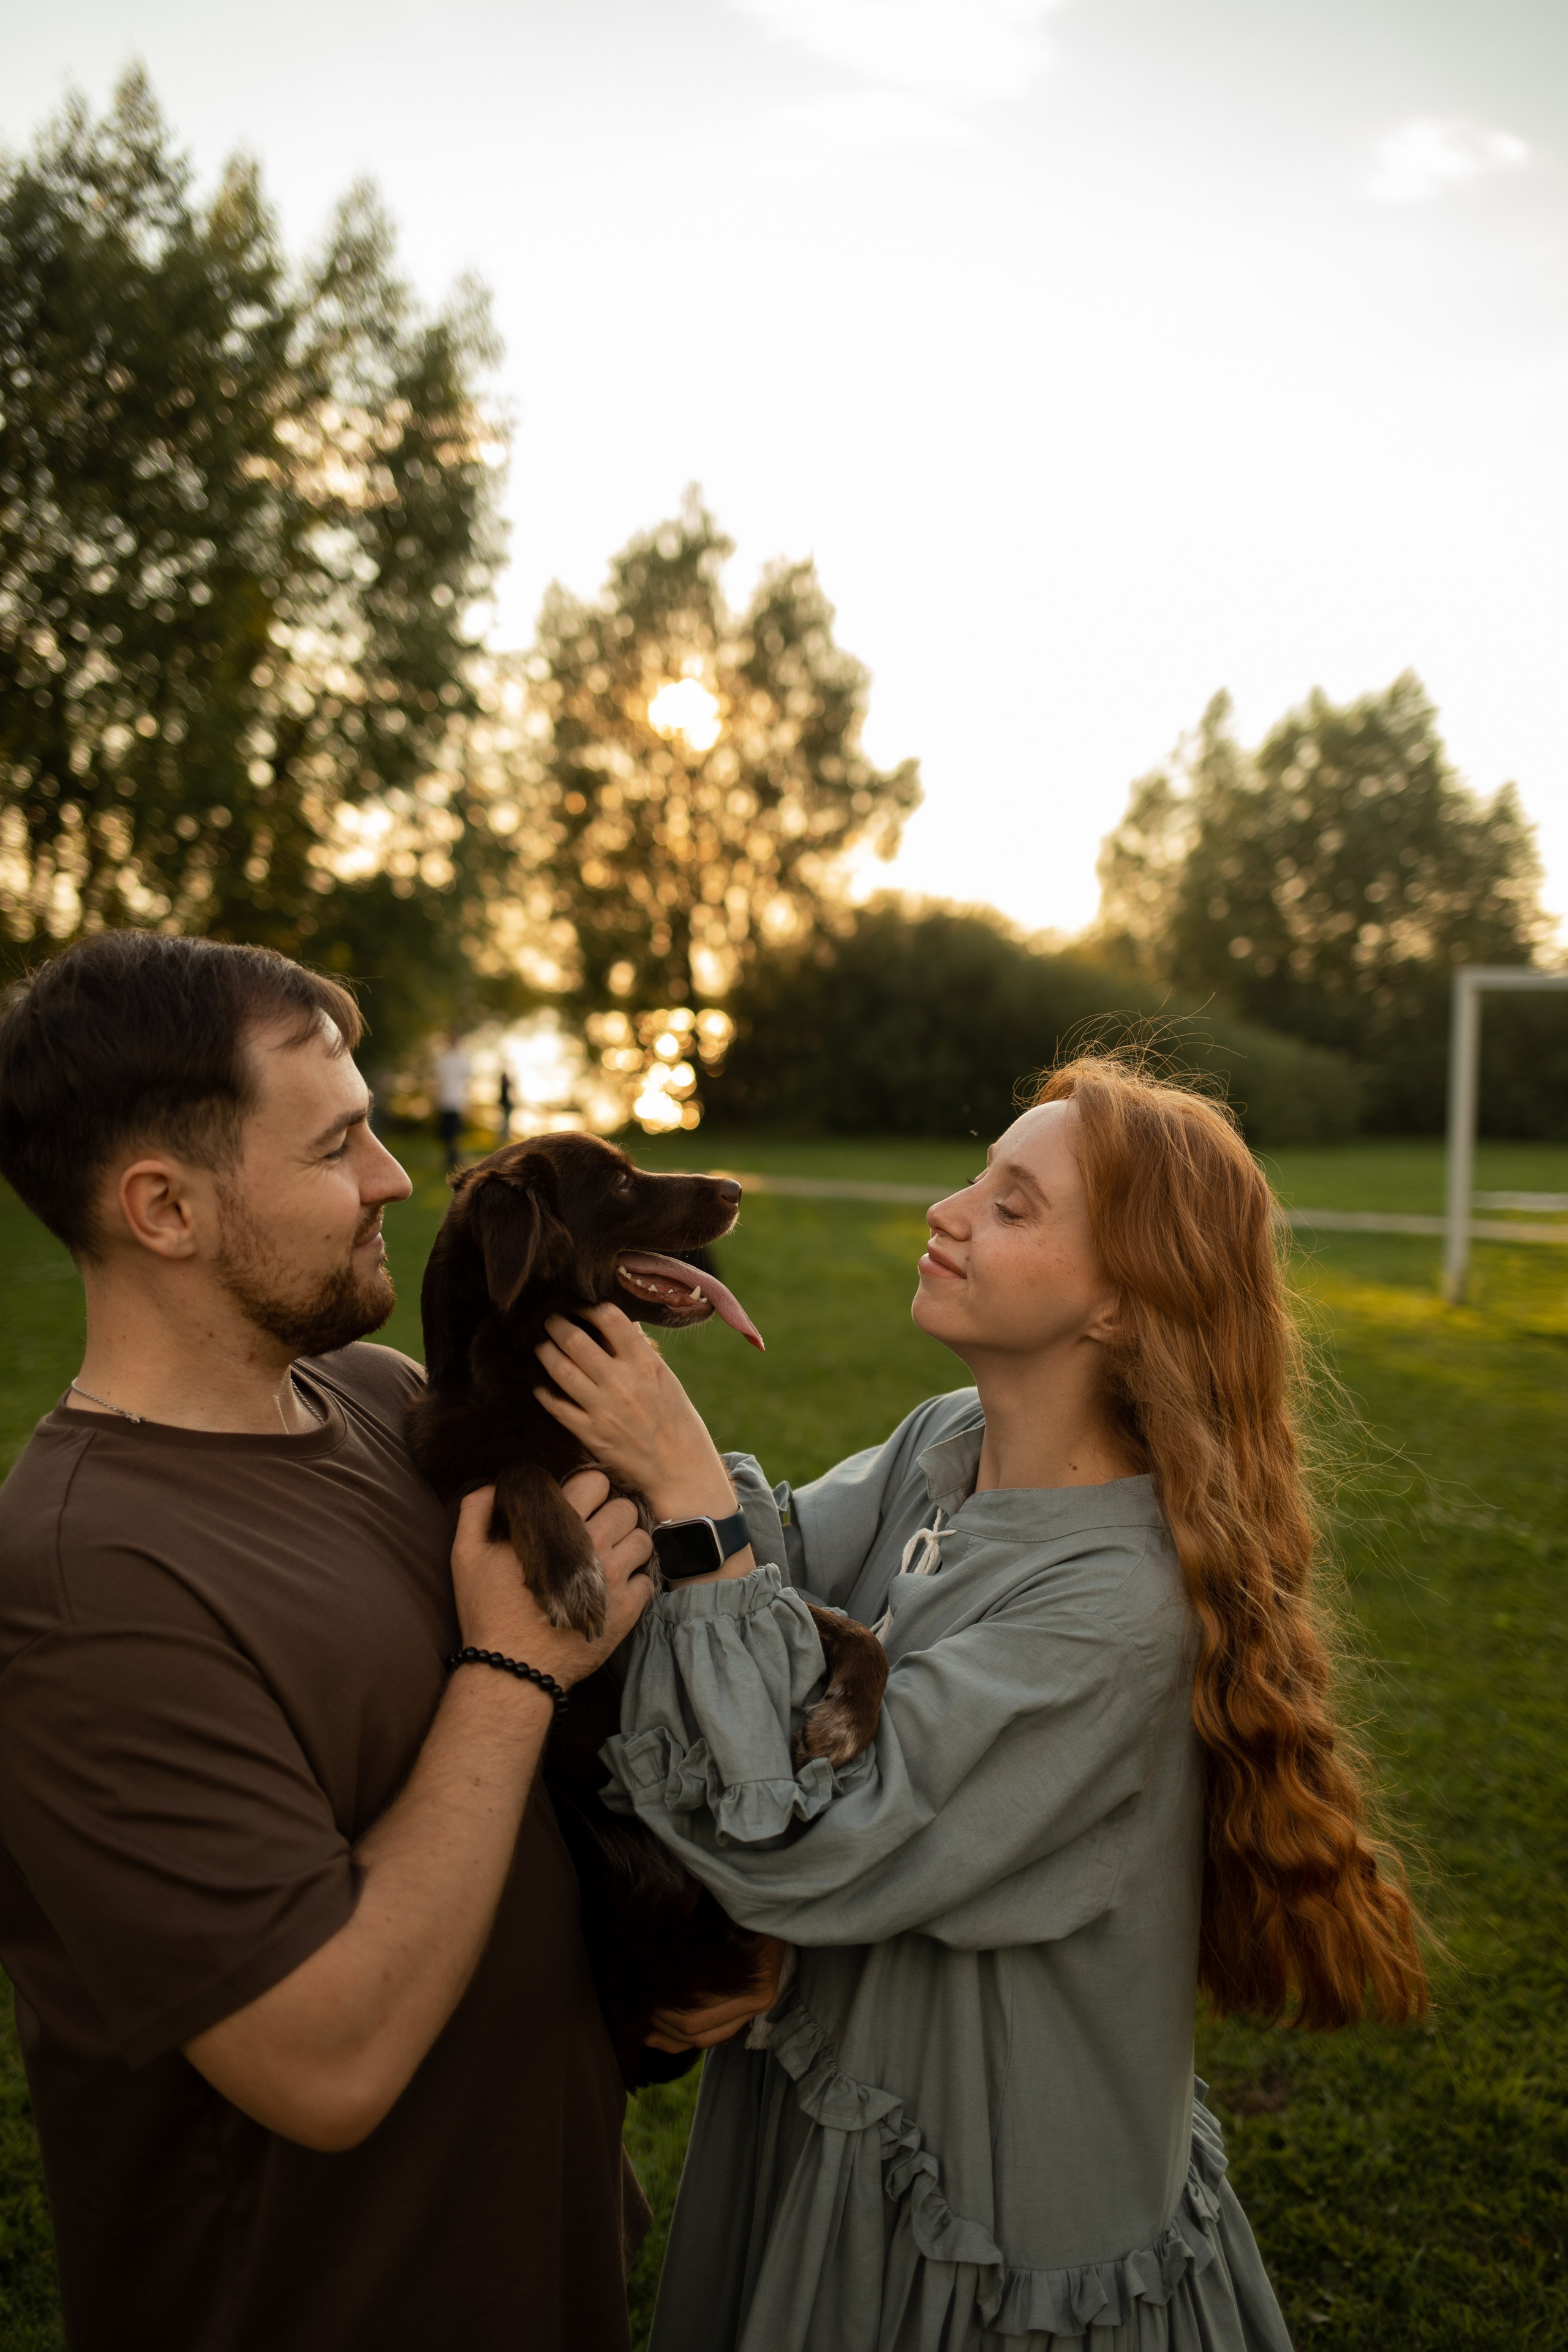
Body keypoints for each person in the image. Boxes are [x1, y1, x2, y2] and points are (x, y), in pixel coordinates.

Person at [521, 1055, 1429, 2352]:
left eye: (1012, 1206)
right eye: (975, 1179)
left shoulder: (1113, 1611)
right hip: (837, 2101)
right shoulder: (946, 1444)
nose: (949, 1211)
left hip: (979, 2199)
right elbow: (770, 1573)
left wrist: (688, 1495)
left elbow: (802, 1840)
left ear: (1122, 1304)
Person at [0, 932, 663, 2352]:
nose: (394, 1176)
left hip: (539, 2274)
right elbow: (325, 2060)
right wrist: (510, 1669)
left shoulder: (376, 1399)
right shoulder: (86, 1585)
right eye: (337, 1145)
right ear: (164, 1207)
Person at [434, 1027, 472, 1172]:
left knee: (455, 1132)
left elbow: (467, 1081)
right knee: (447, 1133)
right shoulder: (443, 1059)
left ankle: (455, 1158)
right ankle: (451, 1158)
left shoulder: (462, 1059)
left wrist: (468, 1101)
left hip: (457, 1101)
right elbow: (439, 1081)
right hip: (445, 1101)